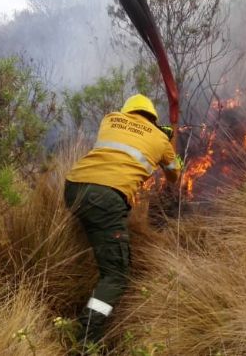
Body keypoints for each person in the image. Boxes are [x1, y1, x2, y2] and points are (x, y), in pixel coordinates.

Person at [64, 94, 181, 345]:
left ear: (127, 110)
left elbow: (131, 134)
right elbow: (174, 175)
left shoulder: (111, 119)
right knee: (116, 276)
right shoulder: (161, 139)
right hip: (106, 198)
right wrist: (168, 142)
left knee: (97, 246)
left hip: (73, 187)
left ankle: (79, 301)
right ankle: (86, 336)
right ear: (153, 117)